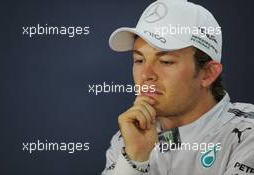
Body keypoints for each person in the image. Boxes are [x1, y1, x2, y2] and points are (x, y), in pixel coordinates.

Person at [102, 0, 254, 174]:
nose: (146, 75)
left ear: (208, 73)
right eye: (139, 60)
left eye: (166, 61)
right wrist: (135, 158)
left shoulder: (247, 134)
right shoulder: (128, 137)